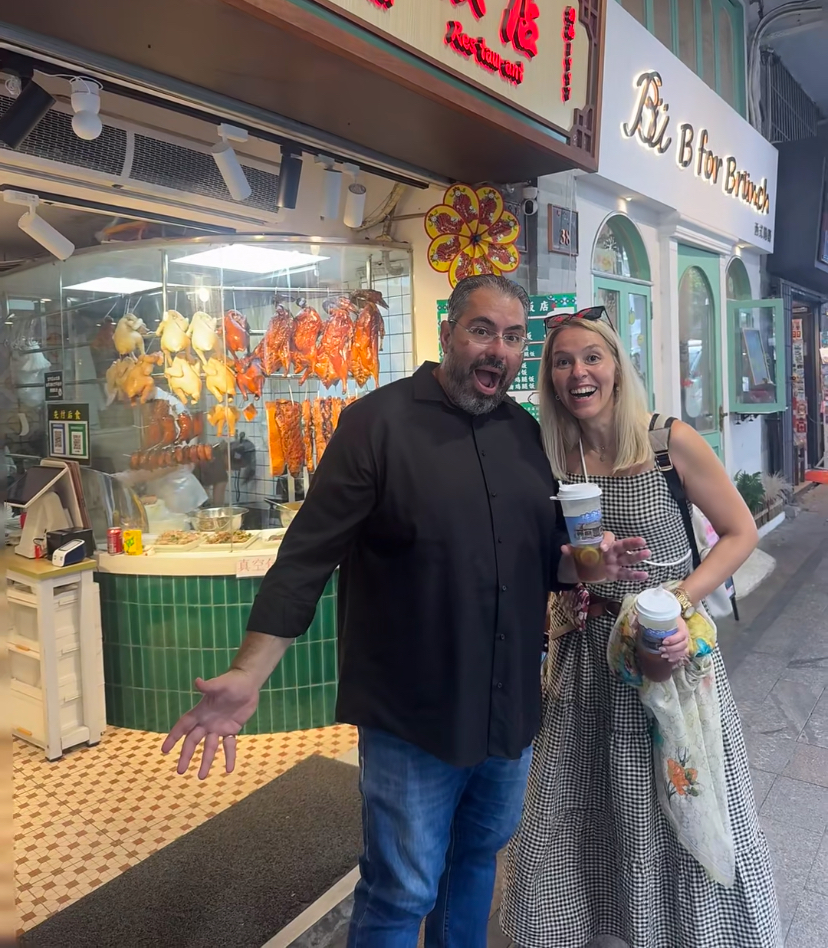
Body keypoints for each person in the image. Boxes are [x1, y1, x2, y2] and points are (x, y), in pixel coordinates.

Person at [163, 276, 649, 948]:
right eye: (483, 330)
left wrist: (587, 566)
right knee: (402, 889)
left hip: (505, 710)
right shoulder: (376, 423)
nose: (498, 351)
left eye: (513, 337)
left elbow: (540, 560)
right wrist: (249, 673)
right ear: (449, 332)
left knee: (476, 863)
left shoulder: (524, 434)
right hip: (410, 717)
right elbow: (306, 558)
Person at [500, 307, 781, 948]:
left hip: (667, 648)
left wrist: (678, 602)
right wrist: (583, 574)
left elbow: (740, 533)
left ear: (617, 367)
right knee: (580, 800)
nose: (579, 372)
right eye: (563, 361)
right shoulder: (551, 454)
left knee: (677, 792)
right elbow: (564, 558)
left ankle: (684, 932)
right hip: (585, 654)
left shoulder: (667, 442)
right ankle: (586, 924)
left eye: (592, 357)